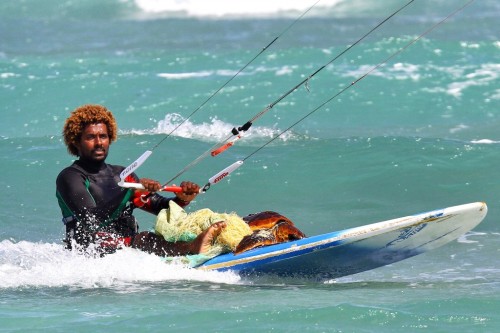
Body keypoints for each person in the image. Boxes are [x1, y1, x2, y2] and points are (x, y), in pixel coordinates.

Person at [56, 104, 226, 256]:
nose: (99, 142)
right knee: (145, 239)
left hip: (127, 249)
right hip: (91, 251)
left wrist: (182, 199)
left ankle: (200, 243)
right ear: (76, 141)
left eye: (103, 136)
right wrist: (127, 193)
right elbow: (90, 220)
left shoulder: (122, 174)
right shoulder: (70, 177)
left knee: (164, 232)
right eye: (91, 137)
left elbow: (159, 207)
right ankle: (191, 248)